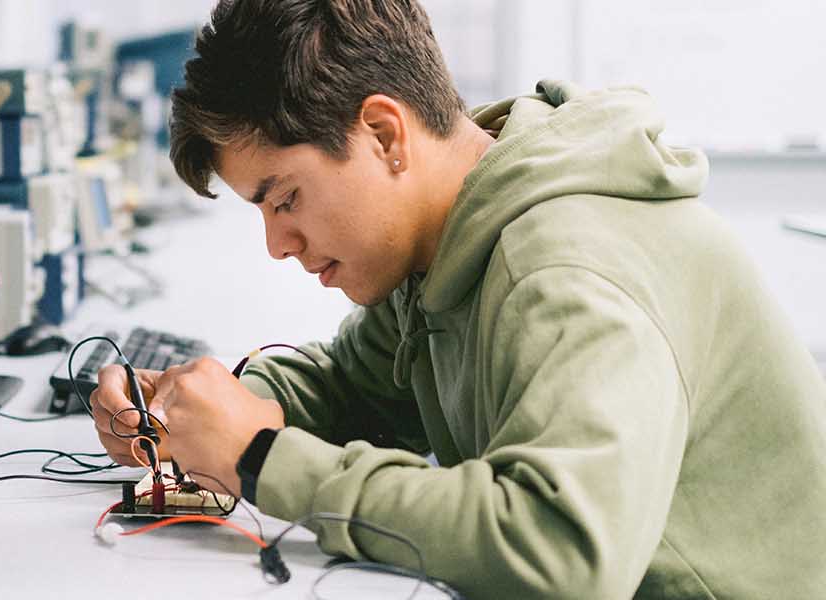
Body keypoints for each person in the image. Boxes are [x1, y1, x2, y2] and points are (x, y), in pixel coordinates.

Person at [87, 0, 826, 597]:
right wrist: (196, 410)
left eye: (285, 199)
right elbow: (357, 391)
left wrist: (259, 457)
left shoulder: (567, 268)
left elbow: (561, 554)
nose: (277, 244)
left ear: (383, 134)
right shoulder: (446, 246)